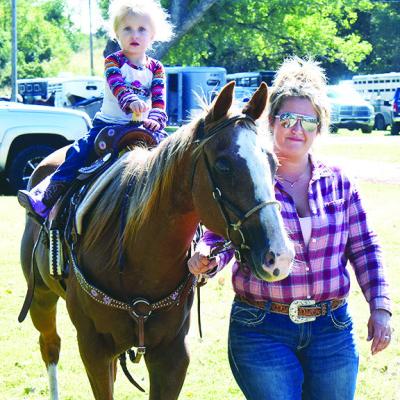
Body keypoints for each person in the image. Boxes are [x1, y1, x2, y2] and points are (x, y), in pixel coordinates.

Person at [187, 57, 392, 400]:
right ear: (272, 121)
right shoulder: (251, 178)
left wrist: (381, 307)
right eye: (288, 118)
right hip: (262, 329)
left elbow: (365, 246)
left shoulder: (338, 182)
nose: (297, 128)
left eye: (308, 121)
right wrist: (207, 257)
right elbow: (221, 234)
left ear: (319, 128)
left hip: (333, 329)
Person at [18, 0, 173, 218]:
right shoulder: (113, 61)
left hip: (145, 128)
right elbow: (117, 85)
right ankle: (47, 196)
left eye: (141, 29)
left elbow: (159, 99)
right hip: (109, 125)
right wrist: (130, 101)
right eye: (127, 28)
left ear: (152, 35)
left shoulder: (156, 68)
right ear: (116, 34)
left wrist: (156, 118)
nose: (134, 34)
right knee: (79, 152)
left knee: (173, 156)